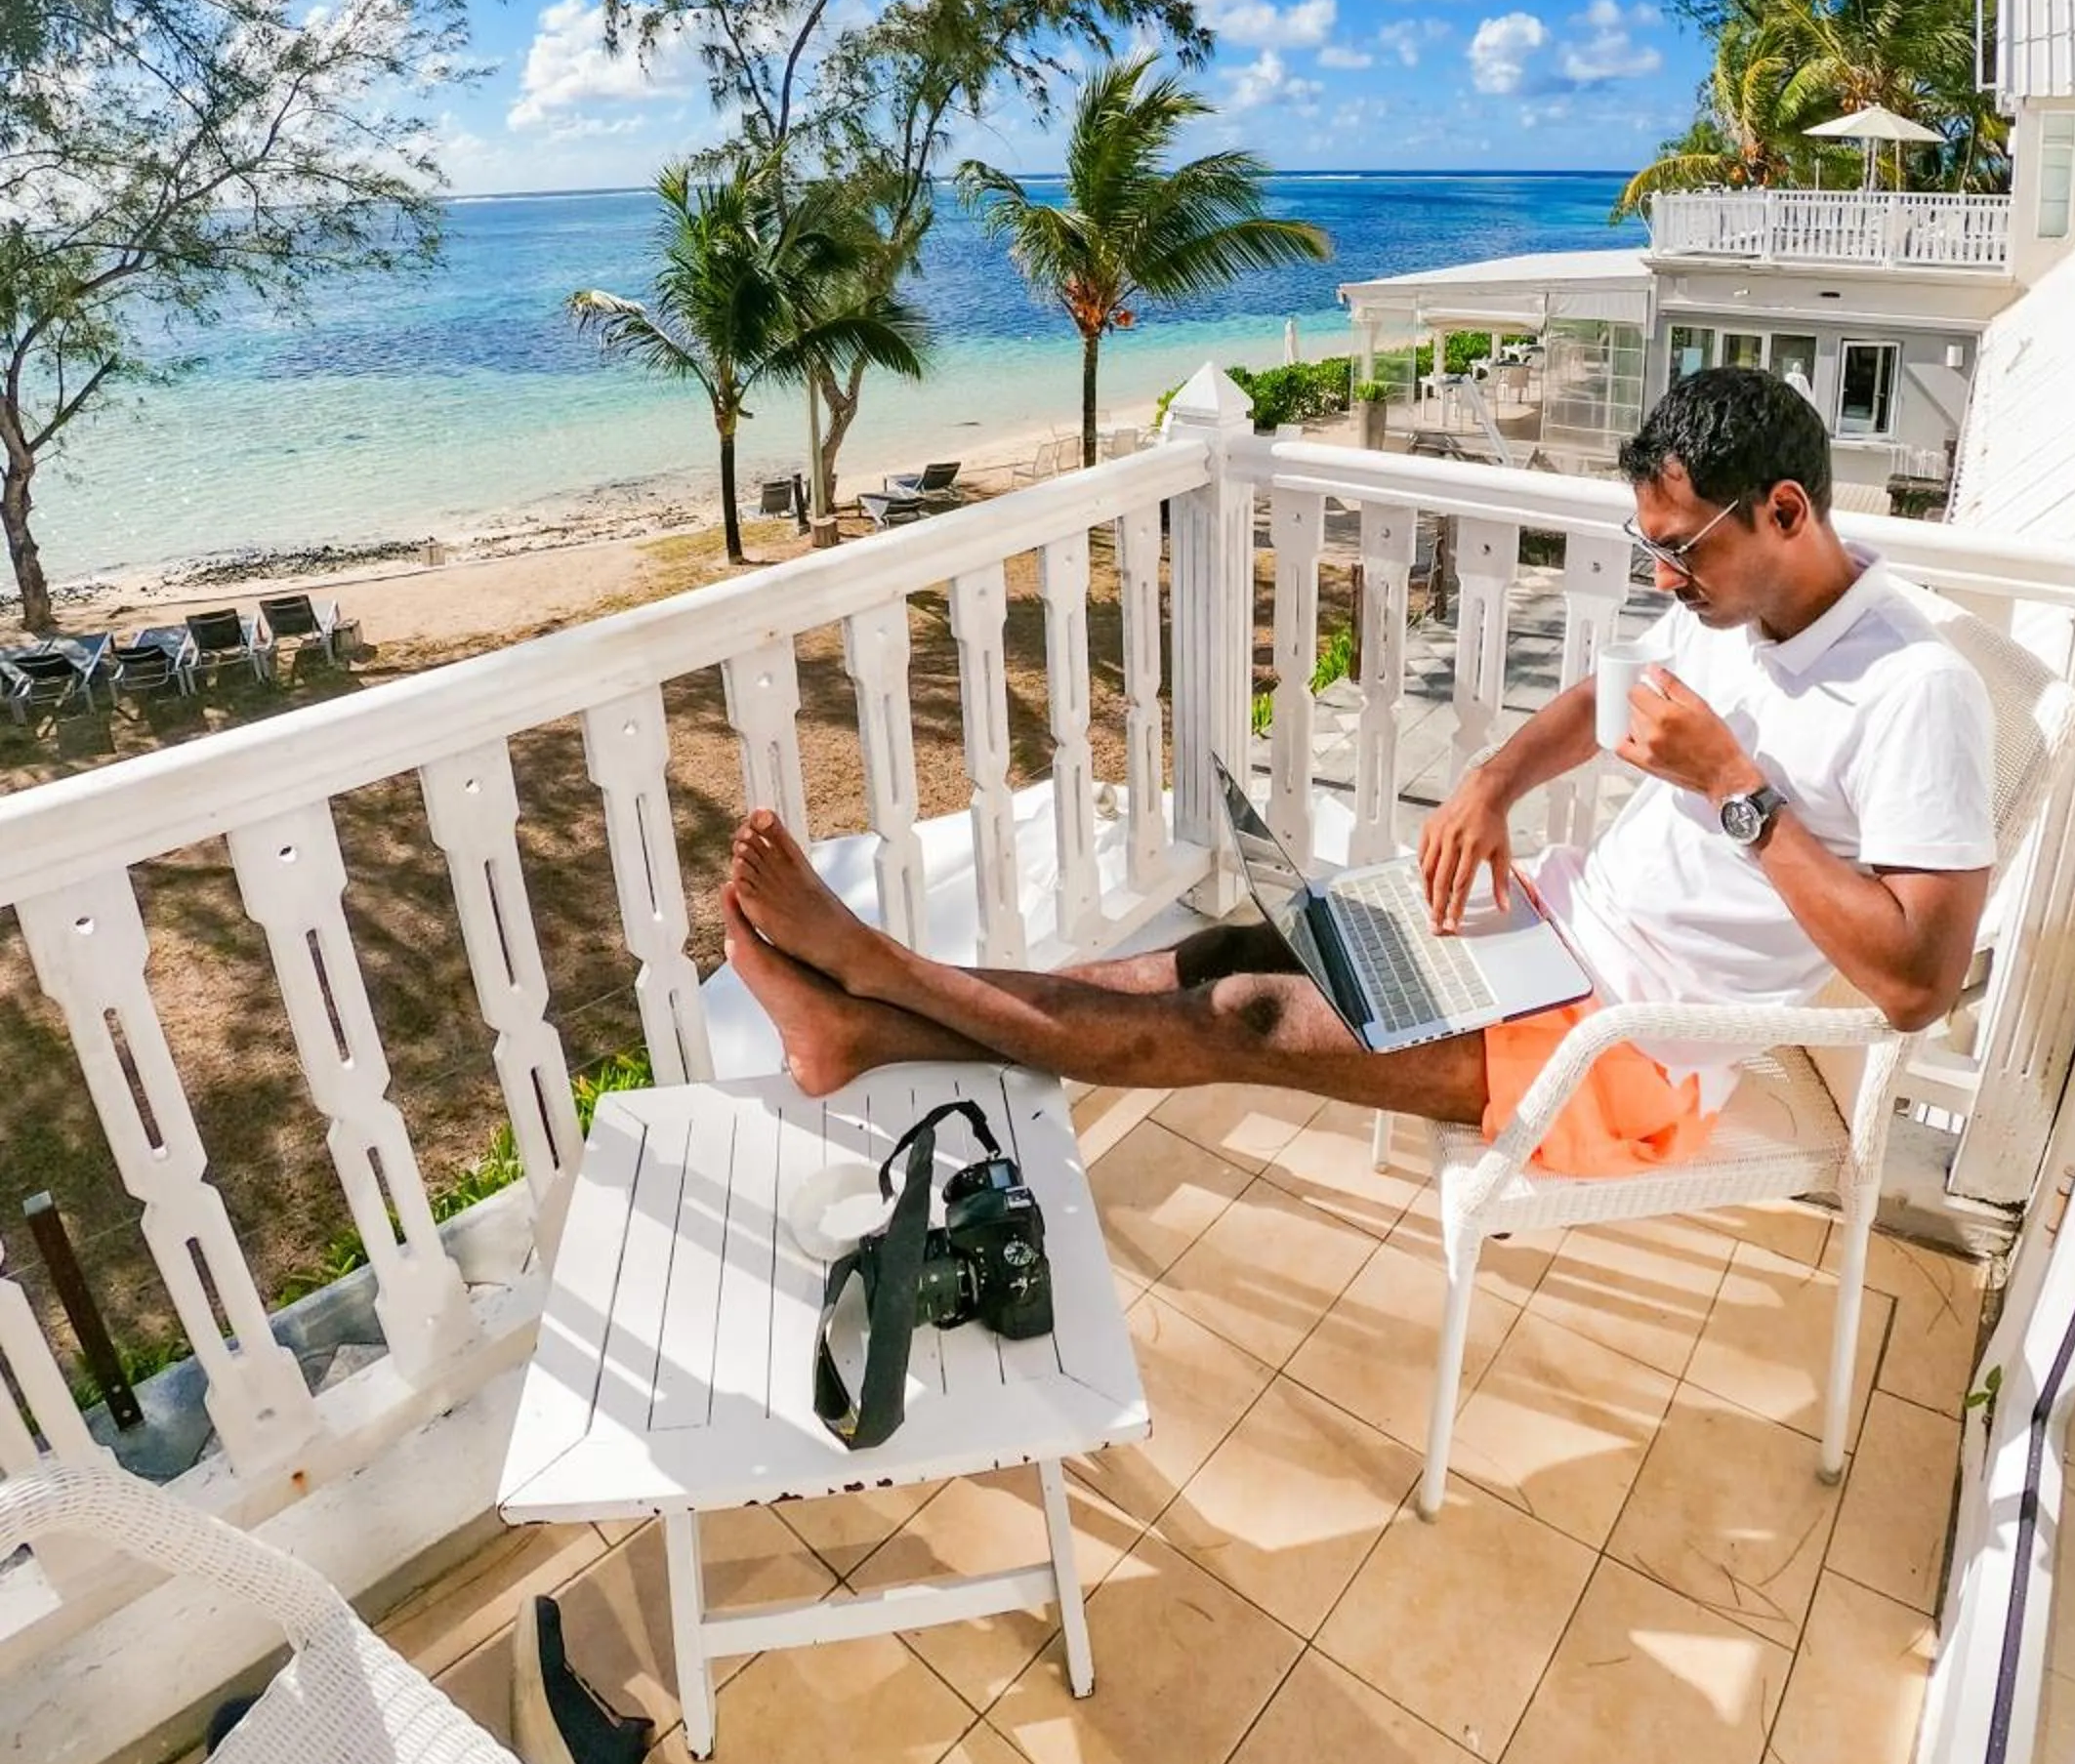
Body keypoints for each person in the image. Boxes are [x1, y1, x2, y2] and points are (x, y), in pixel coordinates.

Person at [725, 366, 1996, 1175]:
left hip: (1627, 1049)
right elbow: (1594, 701)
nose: (1663, 578)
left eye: (1682, 551)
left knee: (1242, 1019)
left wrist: (1731, 786)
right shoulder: (1730, 614)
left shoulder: (1911, 691)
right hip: (1551, 930)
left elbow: (1911, 985)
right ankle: (857, 1026)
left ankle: (883, 977)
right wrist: (1490, 783)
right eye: (1649, 548)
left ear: (1785, 510)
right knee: (1221, 952)